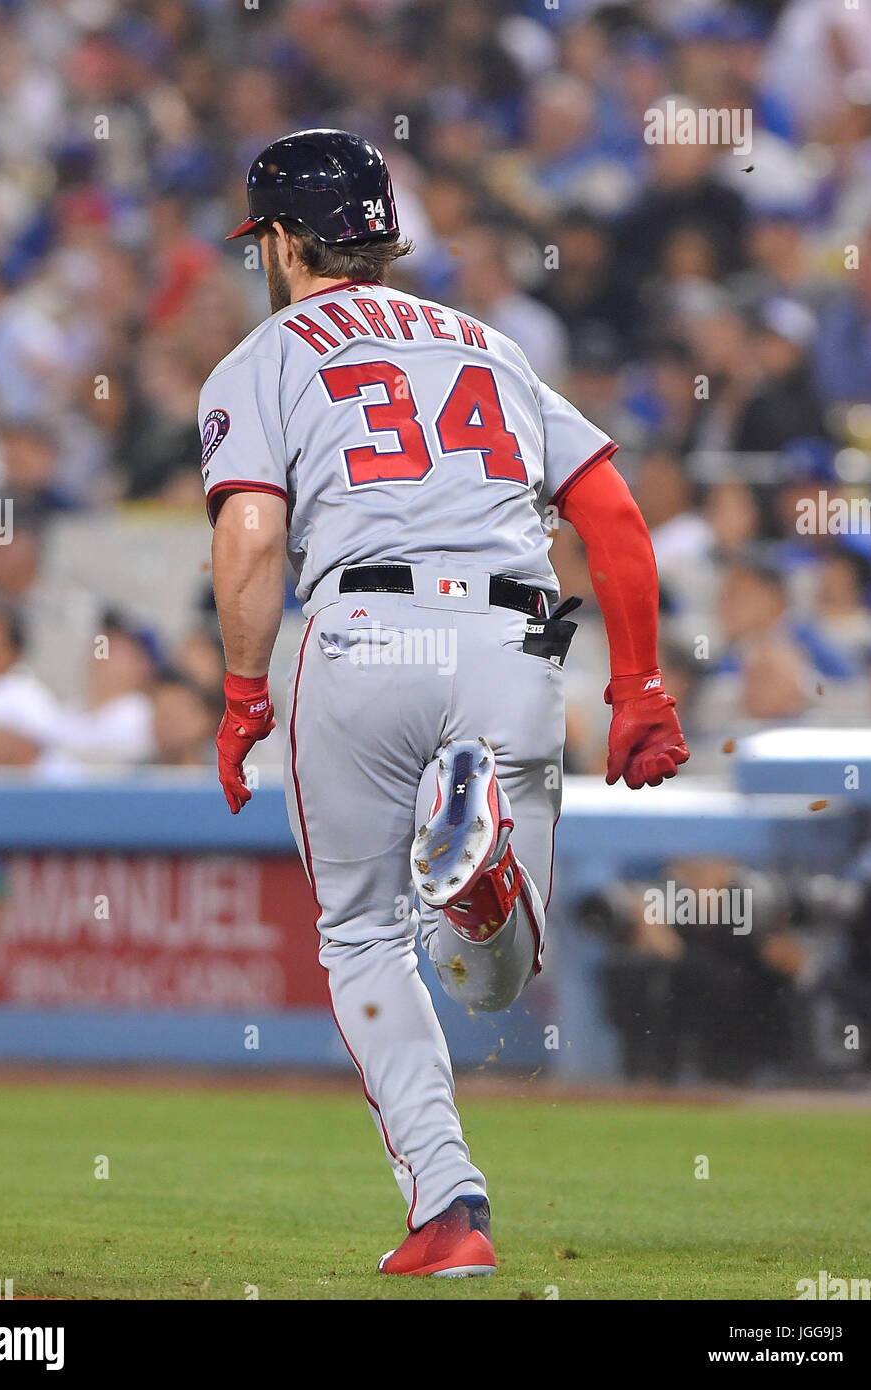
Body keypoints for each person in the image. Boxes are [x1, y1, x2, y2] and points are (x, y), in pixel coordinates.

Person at [201, 129, 688, 1278]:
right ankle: (478, 888)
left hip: (361, 634)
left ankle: (449, 1210)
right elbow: (610, 514)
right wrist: (640, 685)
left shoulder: (264, 355)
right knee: (505, 976)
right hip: (511, 632)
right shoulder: (490, 343)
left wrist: (237, 694)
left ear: (278, 239)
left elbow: (252, 532)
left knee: (362, 935)